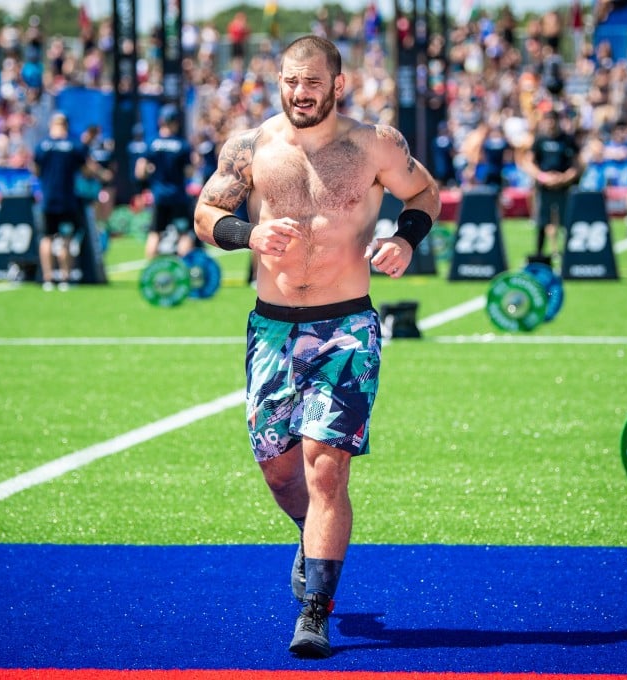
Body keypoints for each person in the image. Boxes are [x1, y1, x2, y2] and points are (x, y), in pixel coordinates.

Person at [193, 35, 440, 659]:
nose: (300, 93)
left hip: (346, 327)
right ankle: (310, 536)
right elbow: (204, 214)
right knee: (279, 470)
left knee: (325, 465)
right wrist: (248, 234)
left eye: (312, 82)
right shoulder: (250, 147)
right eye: (290, 81)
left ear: (338, 84)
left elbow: (425, 194)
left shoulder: (375, 144)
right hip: (271, 328)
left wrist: (405, 240)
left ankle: (315, 611)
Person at [33, 111, 110, 290]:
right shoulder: (73, 145)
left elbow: (35, 170)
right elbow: (86, 170)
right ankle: (65, 278)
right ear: (66, 126)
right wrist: (101, 174)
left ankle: (48, 279)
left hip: (48, 199)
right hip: (67, 199)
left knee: (46, 238)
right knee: (66, 238)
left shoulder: (41, 146)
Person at [518, 107, 581, 262]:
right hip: (544, 187)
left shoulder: (567, 140)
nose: (551, 123)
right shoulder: (540, 140)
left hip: (563, 187)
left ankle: (569, 254)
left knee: (566, 221)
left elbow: (577, 165)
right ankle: (539, 254)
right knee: (542, 221)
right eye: (548, 120)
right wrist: (542, 176)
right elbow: (529, 162)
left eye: (553, 120)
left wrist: (564, 177)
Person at [135, 106, 197, 258]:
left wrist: (152, 173)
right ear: (175, 122)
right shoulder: (182, 145)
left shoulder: (152, 143)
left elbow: (140, 172)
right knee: (184, 234)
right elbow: (189, 172)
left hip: (159, 196)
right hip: (178, 196)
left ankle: (151, 269)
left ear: (161, 121)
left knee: (155, 233)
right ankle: (184, 267)